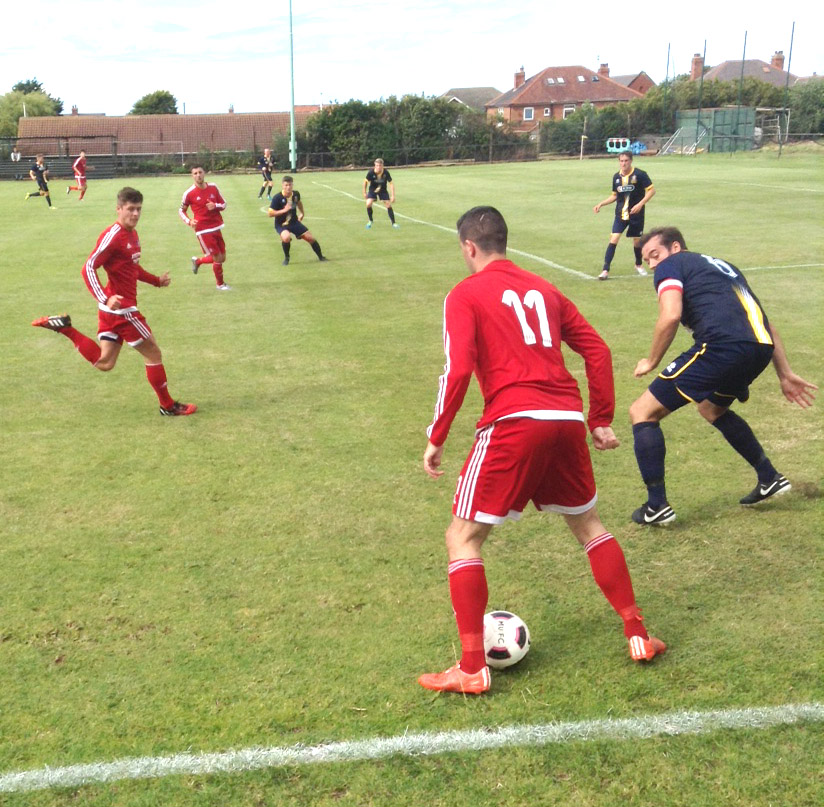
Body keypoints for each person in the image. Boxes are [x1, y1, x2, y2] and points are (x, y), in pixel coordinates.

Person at [418, 206, 665, 695]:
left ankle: (471, 668)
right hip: (566, 420)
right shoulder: (544, 289)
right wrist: (598, 419)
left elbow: (459, 369)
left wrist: (437, 435)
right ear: (504, 242)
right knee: (590, 526)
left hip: (513, 421)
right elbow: (595, 348)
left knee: (462, 539)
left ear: (469, 247)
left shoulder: (464, 293)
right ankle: (638, 634)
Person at [629, 226, 816, 525]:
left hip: (721, 347)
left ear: (675, 247)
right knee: (711, 408)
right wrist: (785, 372)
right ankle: (769, 478)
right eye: (647, 259)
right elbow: (764, 322)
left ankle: (656, 506)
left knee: (642, 411)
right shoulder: (725, 267)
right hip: (759, 348)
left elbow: (671, 314)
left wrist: (651, 359)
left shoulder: (672, 266)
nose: (653, 264)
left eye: (655, 255)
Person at [31, 187, 197, 417]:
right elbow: (88, 267)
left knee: (105, 362)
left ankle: (67, 329)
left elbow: (132, 268)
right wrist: (105, 297)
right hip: (122, 310)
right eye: (130, 209)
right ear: (119, 209)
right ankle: (167, 405)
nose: (136, 214)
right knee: (153, 354)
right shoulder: (114, 235)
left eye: (138, 209)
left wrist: (156, 281)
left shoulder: (132, 234)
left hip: (112, 311)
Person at [593, 150, 654, 279]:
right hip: (620, 215)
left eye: (626, 161)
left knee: (637, 242)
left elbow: (651, 191)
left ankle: (638, 264)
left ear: (631, 161)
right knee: (614, 239)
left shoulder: (640, 174)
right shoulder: (616, 177)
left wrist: (640, 204)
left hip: (636, 215)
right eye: (621, 161)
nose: (623, 163)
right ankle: (605, 270)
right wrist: (601, 204)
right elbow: (614, 196)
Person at [179, 165, 231, 290]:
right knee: (217, 258)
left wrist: (216, 205)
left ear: (204, 173)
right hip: (203, 229)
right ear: (192, 176)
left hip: (217, 225)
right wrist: (189, 221)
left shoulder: (213, 187)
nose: (198, 175)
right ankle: (220, 284)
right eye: (195, 173)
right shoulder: (189, 193)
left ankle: (197, 261)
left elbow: (224, 204)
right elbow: (181, 210)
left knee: (222, 257)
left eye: (200, 172)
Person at [268, 176, 327, 266]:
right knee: (286, 237)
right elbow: (270, 213)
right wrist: (284, 210)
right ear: (282, 186)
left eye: (290, 185)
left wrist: (302, 213)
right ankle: (287, 258)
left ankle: (321, 257)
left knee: (310, 238)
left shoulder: (296, 194)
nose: (288, 187)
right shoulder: (277, 197)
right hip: (281, 225)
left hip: (294, 222)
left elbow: (299, 203)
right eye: (286, 185)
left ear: (292, 185)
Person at [363, 158, 398, 229]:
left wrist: (393, 195)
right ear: (375, 166)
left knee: (388, 204)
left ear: (382, 166)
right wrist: (364, 192)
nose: (378, 167)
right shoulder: (371, 172)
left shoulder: (386, 172)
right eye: (377, 165)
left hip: (383, 189)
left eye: (380, 165)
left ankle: (393, 223)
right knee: (368, 203)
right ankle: (370, 220)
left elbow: (391, 183)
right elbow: (365, 182)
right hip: (373, 189)